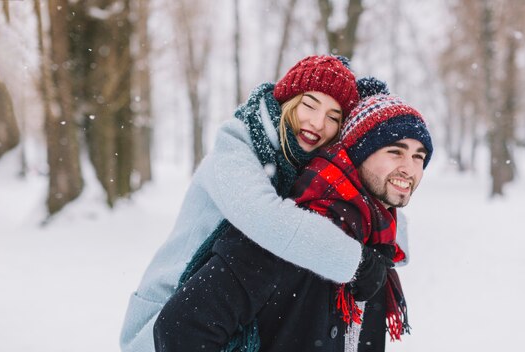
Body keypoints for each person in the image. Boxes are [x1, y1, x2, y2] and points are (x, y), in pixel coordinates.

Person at [120, 55, 399, 352]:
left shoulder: (308, 169)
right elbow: (267, 220)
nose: (318, 122)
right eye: (309, 104)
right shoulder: (235, 149)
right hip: (168, 323)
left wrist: (371, 126)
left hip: (225, 321)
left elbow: (380, 215)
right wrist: (355, 261)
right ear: (287, 101)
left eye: (334, 117)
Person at [153, 92, 434, 352]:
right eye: (395, 152)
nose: (409, 168)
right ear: (359, 152)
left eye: (418, 157)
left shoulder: (378, 245)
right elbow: (180, 329)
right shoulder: (287, 232)